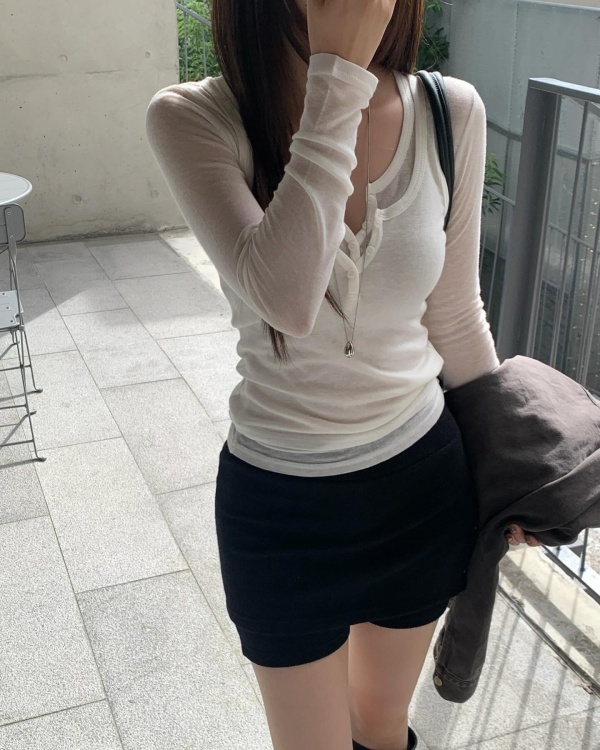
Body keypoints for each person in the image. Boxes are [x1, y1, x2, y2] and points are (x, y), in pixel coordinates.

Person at [145, 1, 539, 748]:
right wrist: (338, 77)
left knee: (381, 727)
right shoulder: (194, 119)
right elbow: (288, 298)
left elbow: (456, 316)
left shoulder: (450, 111)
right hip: (280, 508)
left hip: (421, 486)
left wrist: (507, 471)